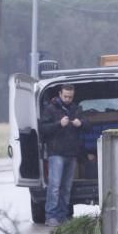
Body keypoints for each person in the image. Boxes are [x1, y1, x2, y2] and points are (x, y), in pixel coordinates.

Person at [39, 84, 86, 226]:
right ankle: (51, 216)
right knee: (54, 186)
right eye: (65, 96)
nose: (67, 99)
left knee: (66, 187)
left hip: (71, 154)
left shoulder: (75, 108)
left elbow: (88, 124)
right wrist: (59, 124)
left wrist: (81, 123)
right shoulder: (50, 109)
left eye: (70, 97)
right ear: (60, 94)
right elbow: (43, 129)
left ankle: (63, 215)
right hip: (56, 153)